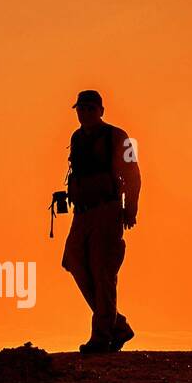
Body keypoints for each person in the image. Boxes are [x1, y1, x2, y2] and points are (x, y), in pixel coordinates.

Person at [61, 89, 140, 353]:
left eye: (90, 108)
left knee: (102, 271)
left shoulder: (118, 136)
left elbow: (133, 174)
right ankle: (116, 325)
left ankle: (102, 336)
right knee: (74, 260)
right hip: (82, 213)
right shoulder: (77, 137)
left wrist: (131, 209)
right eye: (81, 109)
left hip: (107, 210)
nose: (84, 113)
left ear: (101, 111)